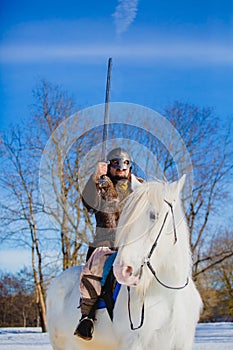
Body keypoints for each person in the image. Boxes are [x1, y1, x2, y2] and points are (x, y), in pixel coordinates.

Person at [74, 147, 143, 340]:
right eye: (115, 163)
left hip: (135, 242)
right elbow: (87, 204)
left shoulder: (142, 187)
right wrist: (96, 177)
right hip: (106, 244)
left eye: (125, 164)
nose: (120, 168)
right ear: (109, 166)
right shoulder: (100, 185)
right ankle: (86, 318)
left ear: (130, 166)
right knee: (94, 271)